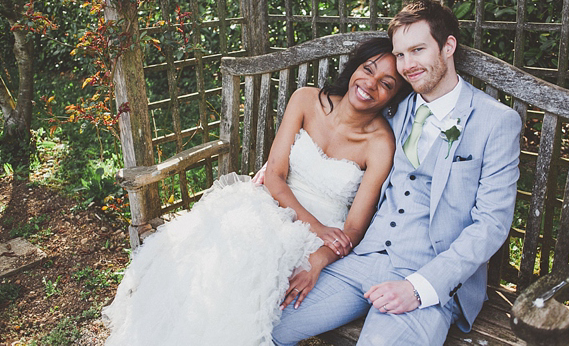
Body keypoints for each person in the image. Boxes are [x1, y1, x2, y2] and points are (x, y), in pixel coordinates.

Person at [102, 37, 410, 345]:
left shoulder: (380, 144)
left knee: (245, 279)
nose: (370, 84)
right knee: (219, 255)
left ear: (393, 97)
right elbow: (274, 176)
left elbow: (354, 229)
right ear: (355, 67)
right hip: (273, 204)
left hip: (316, 238)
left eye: (386, 83)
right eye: (368, 69)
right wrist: (312, 223)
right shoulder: (306, 100)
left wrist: (318, 259)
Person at [271, 0, 522, 345]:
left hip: (428, 276)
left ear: (448, 47)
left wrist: (419, 289)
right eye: (400, 54)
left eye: (417, 50)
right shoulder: (393, 108)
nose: (406, 65)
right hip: (362, 260)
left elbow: (491, 225)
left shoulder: (496, 122)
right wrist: (271, 173)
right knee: (266, 325)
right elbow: (335, 136)